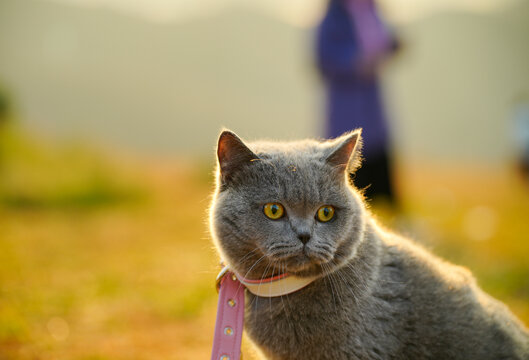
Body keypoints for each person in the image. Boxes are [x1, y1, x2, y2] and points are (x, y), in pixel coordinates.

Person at [315, 0, 400, 204]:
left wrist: (391, 46)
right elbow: (324, 59)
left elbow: (382, 41)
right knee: (348, 166)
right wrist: (356, 63)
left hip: (371, 106)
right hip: (346, 107)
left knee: (380, 171)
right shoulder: (332, 17)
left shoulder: (371, 10)